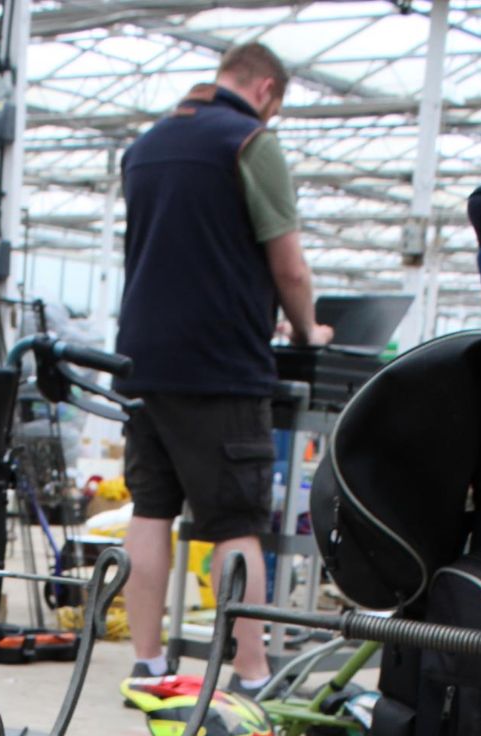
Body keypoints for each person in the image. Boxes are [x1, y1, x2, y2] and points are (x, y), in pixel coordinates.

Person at [115, 40, 332, 692]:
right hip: (217, 365)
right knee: (237, 521)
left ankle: (148, 663)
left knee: (151, 510)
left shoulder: (145, 146)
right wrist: (306, 328)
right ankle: (250, 669)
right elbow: (288, 264)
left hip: (142, 360)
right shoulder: (248, 143)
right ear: (266, 89)